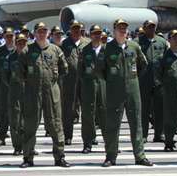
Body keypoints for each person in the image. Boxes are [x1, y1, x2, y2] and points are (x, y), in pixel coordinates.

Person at [95, 19, 152, 167]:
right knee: (113, 124)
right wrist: (114, 80)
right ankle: (111, 156)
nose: (123, 31)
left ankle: (140, 155)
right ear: (114, 30)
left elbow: (143, 65)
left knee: (136, 123)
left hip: (133, 89)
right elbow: (100, 70)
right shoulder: (107, 48)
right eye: (120, 28)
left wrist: (132, 79)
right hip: (114, 91)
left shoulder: (134, 47)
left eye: (125, 28)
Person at [16, 22, 70, 168]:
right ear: (34, 33)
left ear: (48, 33)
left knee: (55, 124)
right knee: (30, 125)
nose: (42, 34)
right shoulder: (27, 51)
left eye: (44, 31)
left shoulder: (55, 50)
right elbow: (20, 72)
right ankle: (28, 157)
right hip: (32, 93)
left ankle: (59, 157)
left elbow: (64, 69)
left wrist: (53, 82)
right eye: (39, 31)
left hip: (52, 91)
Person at [77, 24, 107, 153]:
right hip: (89, 85)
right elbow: (80, 70)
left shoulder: (107, 50)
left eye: (99, 33)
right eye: (94, 33)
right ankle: (87, 143)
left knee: (105, 115)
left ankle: (110, 143)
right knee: (88, 114)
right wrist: (85, 82)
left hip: (103, 85)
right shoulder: (85, 50)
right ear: (90, 35)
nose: (97, 36)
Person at [61, 20, 90, 145]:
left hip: (85, 80)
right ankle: (68, 136)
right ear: (70, 30)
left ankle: (89, 137)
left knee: (87, 109)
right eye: (74, 28)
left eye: (78, 28)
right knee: (68, 110)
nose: (76, 30)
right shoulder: (65, 44)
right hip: (69, 81)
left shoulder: (87, 43)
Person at [138, 20, 167, 143]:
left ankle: (159, 133)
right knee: (144, 109)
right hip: (143, 80)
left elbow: (166, 60)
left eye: (153, 27)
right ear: (144, 29)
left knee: (159, 109)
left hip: (158, 80)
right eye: (149, 27)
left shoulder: (162, 42)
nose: (151, 29)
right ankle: (143, 135)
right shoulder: (138, 42)